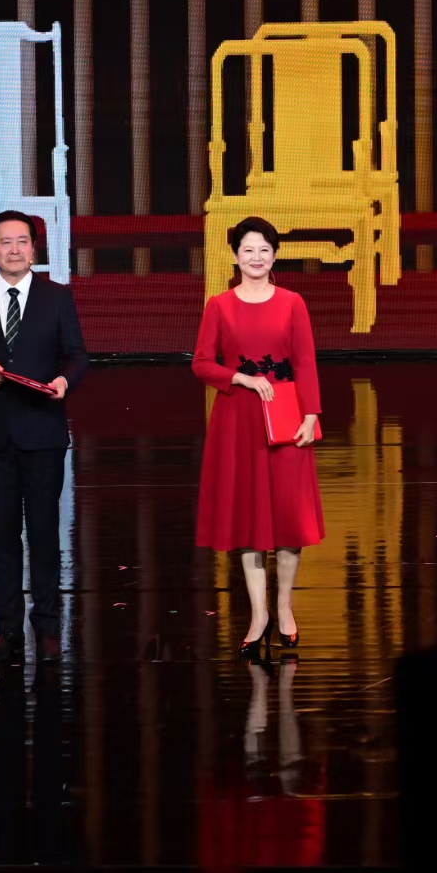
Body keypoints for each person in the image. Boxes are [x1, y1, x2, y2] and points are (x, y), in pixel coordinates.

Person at [0, 211, 88, 665]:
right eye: (5, 242)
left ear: (34, 248)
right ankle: (8, 632)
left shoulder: (57, 297)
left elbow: (76, 356)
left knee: (44, 534)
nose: (14, 249)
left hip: (43, 432)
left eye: (22, 241)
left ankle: (46, 628)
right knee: (4, 536)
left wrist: (64, 382)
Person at [193, 217, 324, 657]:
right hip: (238, 422)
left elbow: (305, 361)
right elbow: (201, 363)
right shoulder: (219, 305)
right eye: (248, 249)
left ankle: (284, 609)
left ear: (275, 255)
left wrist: (311, 414)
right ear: (235, 255)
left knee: (287, 519)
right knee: (249, 520)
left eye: (264, 249)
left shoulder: (292, 302)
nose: (256, 257)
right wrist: (242, 379)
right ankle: (258, 615)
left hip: (286, 418)